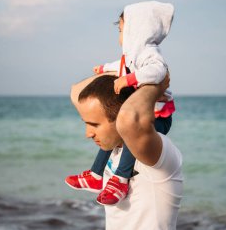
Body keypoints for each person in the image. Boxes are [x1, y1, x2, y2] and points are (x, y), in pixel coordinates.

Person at [65, 1, 176, 205]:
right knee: (110, 130)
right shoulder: (131, 56)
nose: (120, 36)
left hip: (157, 117)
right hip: (142, 113)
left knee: (125, 131)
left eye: (122, 30)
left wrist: (130, 80)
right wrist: (105, 68)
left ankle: (121, 179)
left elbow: (158, 71)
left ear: (138, 31)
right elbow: (120, 67)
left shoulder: (149, 53)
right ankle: (97, 175)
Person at [69, 74, 183, 230]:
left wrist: (154, 85)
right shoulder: (114, 150)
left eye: (94, 125)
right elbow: (76, 91)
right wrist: (126, 74)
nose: (88, 134)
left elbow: (129, 119)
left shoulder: (155, 154)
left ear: (120, 118)